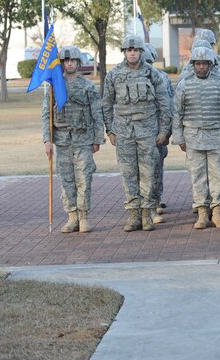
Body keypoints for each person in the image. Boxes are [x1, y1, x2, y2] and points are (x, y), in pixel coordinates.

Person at [102, 35, 172, 232]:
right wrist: (110, 130)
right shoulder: (114, 74)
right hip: (123, 132)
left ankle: (147, 213)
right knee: (128, 173)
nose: (132, 52)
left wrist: (164, 130)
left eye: (135, 49)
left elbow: (164, 103)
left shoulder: (152, 74)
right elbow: (106, 103)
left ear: (141, 51)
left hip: (148, 131)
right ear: (124, 52)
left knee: (148, 173)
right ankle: (133, 214)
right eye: (129, 49)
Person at [41, 45, 104, 233]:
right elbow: (46, 114)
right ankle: (72, 217)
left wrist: (97, 139)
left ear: (78, 63)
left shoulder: (88, 86)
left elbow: (97, 114)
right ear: (61, 63)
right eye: (66, 61)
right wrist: (47, 140)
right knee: (67, 179)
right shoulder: (54, 87)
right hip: (61, 140)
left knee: (84, 178)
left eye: (73, 61)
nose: (69, 64)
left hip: (83, 139)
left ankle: (84, 217)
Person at [172, 46, 220, 229]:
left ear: (211, 64)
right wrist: (179, 138)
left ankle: (216, 210)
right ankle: (201, 211)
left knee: (217, 175)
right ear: (193, 65)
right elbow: (177, 112)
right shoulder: (184, 84)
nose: (201, 67)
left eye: (204, 63)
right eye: (198, 63)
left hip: (217, 135)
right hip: (193, 136)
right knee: (197, 175)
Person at [142, 43, 173, 224]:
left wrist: (166, 130)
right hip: (136, 132)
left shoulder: (161, 77)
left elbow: (167, 104)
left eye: (148, 60)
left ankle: (154, 201)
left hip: (156, 130)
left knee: (155, 169)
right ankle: (142, 205)